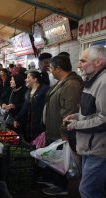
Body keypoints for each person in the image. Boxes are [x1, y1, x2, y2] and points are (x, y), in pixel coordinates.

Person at [64, 45, 106, 198]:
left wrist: (76, 125)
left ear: (98, 62)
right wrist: (75, 117)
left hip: (98, 149)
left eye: (83, 61)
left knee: (88, 190)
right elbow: (91, 112)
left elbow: (104, 119)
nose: (78, 65)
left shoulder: (104, 82)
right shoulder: (92, 80)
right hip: (90, 146)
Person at [41, 55, 83, 196]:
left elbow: (69, 111)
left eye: (51, 68)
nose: (50, 72)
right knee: (57, 160)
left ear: (58, 69)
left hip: (62, 133)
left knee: (63, 161)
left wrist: (65, 134)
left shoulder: (72, 84)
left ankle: (62, 187)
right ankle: (56, 183)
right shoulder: (63, 82)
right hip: (54, 130)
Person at [14, 71, 49, 142]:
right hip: (29, 126)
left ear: (35, 79)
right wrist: (17, 118)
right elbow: (25, 106)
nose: (25, 80)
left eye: (28, 77)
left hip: (40, 126)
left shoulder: (45, 90)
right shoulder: (28, 91)